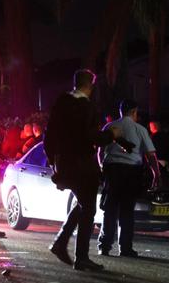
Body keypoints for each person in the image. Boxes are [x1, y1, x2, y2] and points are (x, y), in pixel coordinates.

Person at [44, 69, 120, 271]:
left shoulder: (61, 103)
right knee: (88, 208)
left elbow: (49, 134)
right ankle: (80, 256)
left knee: (82, 203)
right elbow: (91, 137)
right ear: (90, 85)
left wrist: (53, 161)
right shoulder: (86, 107)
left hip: (65, 163)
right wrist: (110, 136)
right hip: (82, 164)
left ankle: (61, 242)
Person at [97, 99, 160, 257]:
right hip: (131, 172)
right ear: (134, 111)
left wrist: (102, 168)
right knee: (126, 211)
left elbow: (99, 152)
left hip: (112, 171)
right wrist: (156, 174)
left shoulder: (110, 127)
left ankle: (104, 246)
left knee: (110, 209)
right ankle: (125, 248)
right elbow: (151, 155)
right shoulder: (140, 129)